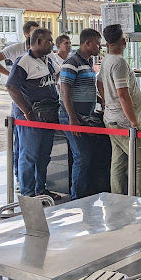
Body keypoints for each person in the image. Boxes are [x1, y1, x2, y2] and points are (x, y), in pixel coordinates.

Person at [6, 28, 59, 197]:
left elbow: (56, 76)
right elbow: (11, 86)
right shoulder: (23, 61)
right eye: (48, 41)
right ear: (37, 42)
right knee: (29, 156)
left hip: (49, 114)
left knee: (44, 155)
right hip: (31, 117)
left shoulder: (49, 60)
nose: (51, 43)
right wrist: (27, 110)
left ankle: (41, 189)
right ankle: (28, 193)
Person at [97, 24, 141, 196]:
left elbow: (99, 83)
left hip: (111, 118)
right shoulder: (119, 63)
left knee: (118, 161)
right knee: (140, 163)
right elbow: (123, 94)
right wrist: (133, 122)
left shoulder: (105, 61)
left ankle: (117, 197)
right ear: (123, 41)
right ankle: (140, 200)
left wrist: (106, 103)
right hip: (124, 122)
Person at [0, 21, 40, 185]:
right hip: (19, 99)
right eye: (34, 32)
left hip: (36, 98)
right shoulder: (16, 49)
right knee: (20, 140)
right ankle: (20, 178)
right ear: (26, 34)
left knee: (33, 143)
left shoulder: (40, 50)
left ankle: (34, 179)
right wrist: (10, 74)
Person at [59, 28, 102, 199]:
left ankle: (85, 193)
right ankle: (76, 197)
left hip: (86, 117)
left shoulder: (88, 63)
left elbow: (86, 89)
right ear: (88, 43)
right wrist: (72, 118)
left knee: (86, 156)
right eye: (98, 43)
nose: (99, 47)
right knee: (82, 156)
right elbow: (65, 91)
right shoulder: (72, 62)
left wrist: (100, 101)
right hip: (73, 117)